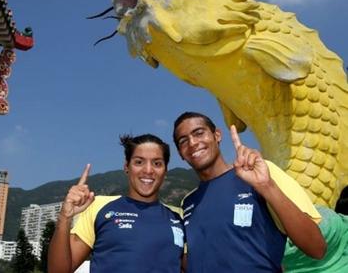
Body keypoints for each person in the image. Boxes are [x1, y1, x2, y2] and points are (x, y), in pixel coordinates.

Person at [172, 111, 326, 273]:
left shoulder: (261, 173)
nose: (193, 143)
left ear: (217, 135)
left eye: (199, 133)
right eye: (183, 141)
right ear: (181, 154)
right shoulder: (188, 202)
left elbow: (317, 248)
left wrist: (267, 185)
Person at [48, 134, 184, 273]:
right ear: (126, 166)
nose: (148, 170)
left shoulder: (180, 216)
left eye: (157, 163)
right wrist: (64, 218)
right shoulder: (97, 206)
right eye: (139, 162)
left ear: (165, 170)